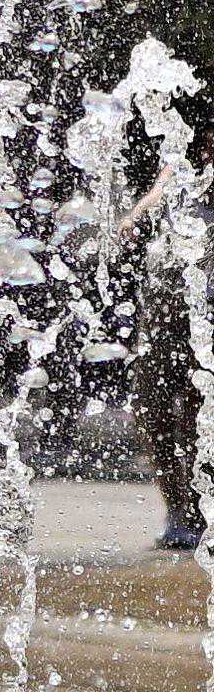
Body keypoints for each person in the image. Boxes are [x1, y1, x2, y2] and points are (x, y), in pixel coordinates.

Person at [117, 158, 208, 550]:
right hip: (161, 309)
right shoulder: (180, 164)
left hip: (205, 315)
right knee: (150, 409)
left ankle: (198, 512)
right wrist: (134, 216)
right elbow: (156, 196)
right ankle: (176, 507)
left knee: (194, 415)